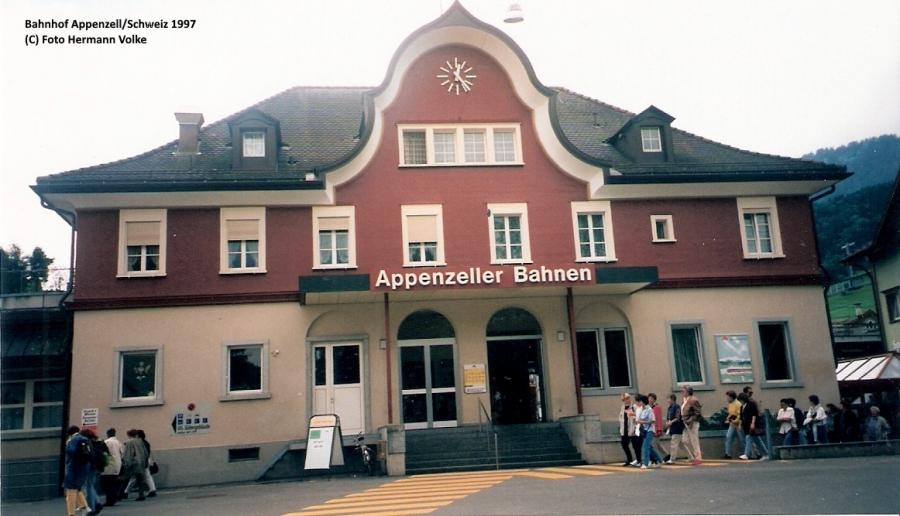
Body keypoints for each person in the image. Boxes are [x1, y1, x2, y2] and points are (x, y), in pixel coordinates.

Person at [63, 426, 91, 516]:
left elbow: (70, 452)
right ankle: (85, 507)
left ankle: (71, 513)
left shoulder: (72, 440)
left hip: (73, 467)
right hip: (84, 467)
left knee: (70, 490)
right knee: (77, 488)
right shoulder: (85, 439)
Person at [635, 394, 663, 469]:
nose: (639, 403)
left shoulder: (649, 409)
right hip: (644, 430)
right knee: (649, 447)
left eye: (640, 401)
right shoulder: (641, 409)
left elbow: (653, 420)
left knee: (645, 447)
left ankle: (645, 463)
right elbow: (639, 419)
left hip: (650, 430)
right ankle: (660, 460)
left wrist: (642, 422)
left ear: (643, 402)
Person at [120, 429, 149, 501]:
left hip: (133, 463)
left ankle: (120, 494)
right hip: (140, 462)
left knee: (126, 478)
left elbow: (128, 454)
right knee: (140, 480)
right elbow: (145, 452)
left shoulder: (129, 442)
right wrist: (145, 461)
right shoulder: (140, 441)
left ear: (129, 435)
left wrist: (126, 463)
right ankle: (141, 494)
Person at [738, 392, 769, 460]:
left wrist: (753, 423)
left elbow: (754, 414)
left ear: (743, 399)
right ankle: (766, 454)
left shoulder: (751, 404)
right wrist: (740, 425)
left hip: (753, 424)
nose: (740, 402)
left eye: (741, 400)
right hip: (746, 425)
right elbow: (741, 416)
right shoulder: (742, 407)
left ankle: (746, 454)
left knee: (748, 437)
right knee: (757, 441)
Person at [664, 393, 693, 464]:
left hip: (677, 427)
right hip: (672, 428)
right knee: (681, 445)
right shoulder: (669, 408)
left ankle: (672, 459)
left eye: (668, 399)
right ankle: (691, 457)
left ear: (672, 399)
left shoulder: (677, 407)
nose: (667, 400)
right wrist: (667, 422)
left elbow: (678, 417)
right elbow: (668, 417)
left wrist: (671, 422)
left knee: (673, 444)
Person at [680, 385, 703, 465]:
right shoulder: (684, 400)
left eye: (683, 390)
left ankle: (698, 457)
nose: (682, 392)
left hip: (692, 422)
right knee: (684, 440)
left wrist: (691, 420)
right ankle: (693, 456)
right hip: (685, 422)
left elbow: (698, 412)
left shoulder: (693, 400)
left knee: (694, 440)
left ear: (688, 391)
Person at [101, 428, 124, 506]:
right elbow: (122, 453)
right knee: (113, 482)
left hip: (108, 465)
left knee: (106, 484)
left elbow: (103, 453)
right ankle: (113, 498)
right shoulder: (118, 442)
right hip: (117, 464)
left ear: (108, 434)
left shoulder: (106, 442)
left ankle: (109, 499)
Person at [617, 393, 641, 466]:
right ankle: (629, 459)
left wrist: (635, 426)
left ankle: (639, 460)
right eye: (624, 399)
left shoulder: (634, 407)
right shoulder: (623, 407)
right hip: (624, 430)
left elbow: (638, 416)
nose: (626, 401)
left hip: (632, 429)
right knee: (624, 444)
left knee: (635, 446)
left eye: (627, 399)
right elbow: (621, 418)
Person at [723, 390, 743, 458]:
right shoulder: (730, 404)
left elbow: (740, 414)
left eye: (728, 397)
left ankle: (748, 453)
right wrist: (727, 419)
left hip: (738, 424)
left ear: (731, 397)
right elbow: (730, 413)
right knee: (728, 437)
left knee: (742, 439)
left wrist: (735, 421)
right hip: (732, 424)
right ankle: (727, 454)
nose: (727, 399)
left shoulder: (738, 404)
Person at [647, 393, 666, 464]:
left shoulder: (657, 408)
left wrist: (659, 429)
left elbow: (658, 419)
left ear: (654, 400)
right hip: (649, 429)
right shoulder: (648, 407)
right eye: (649, 398)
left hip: (656, 429)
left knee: (653, 445)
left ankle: (658, 459)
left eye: (651, 398)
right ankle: (666, 456)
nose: (650, 400)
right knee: (657, 445)